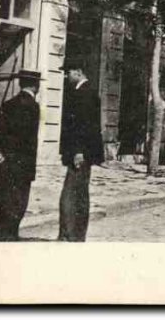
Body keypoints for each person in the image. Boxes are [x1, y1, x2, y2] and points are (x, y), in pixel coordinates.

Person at [0, 69, 41, 241]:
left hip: (5, 162)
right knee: (18, 205)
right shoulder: (33, 106)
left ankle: (1, 239)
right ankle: (10, 240)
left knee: (4, 204)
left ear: (20, 84)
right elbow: (28, 140)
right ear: (36, 86)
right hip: (23, 165)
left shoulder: (8, 104)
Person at [58, 58, 104, 242]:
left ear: (77, 71)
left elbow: (83, 126)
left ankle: (71, 234)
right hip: (82, 153)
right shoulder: (86, 91)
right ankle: (76, 234)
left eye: (67, 73)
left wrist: (78, 151)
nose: (66, 76)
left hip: (80, 154)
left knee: (71, 195)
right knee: (78, 193)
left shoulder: (84, 93)